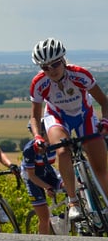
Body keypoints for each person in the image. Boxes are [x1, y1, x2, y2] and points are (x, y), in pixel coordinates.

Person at [28, 37, 108, 223]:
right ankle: (73, 202)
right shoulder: (39, 83)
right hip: (57, 118)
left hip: (83, 115)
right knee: (63, 150)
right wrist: (38, 136)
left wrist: (105, 122)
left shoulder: (80, 75)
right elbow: (34, 116)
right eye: (45, 67)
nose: (51, 70)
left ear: (63, 60)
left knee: (100, 168)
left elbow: (104, 102)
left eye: (55, 64)